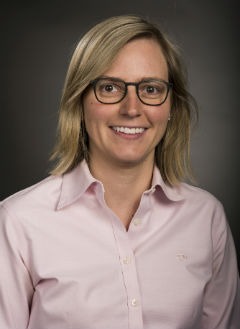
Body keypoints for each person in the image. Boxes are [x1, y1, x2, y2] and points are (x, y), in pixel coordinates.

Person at [0, 14, 239, 329]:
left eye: (151, 89)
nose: (131, 108)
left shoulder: (207, 219)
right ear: (80, 101)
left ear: (171, 106)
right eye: (110, 87)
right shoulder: (18, 222)